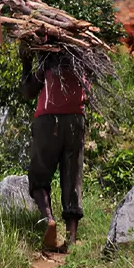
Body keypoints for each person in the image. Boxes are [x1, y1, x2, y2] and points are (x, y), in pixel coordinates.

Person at [20, 46, 87, 251]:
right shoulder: (83, 61)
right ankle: (72, 238)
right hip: (76, 121)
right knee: (72, 176)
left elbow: (28, 92)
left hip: (48, 121)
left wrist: (26, 64)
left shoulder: (48, 62)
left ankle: (48, 219)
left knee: (39, 175)